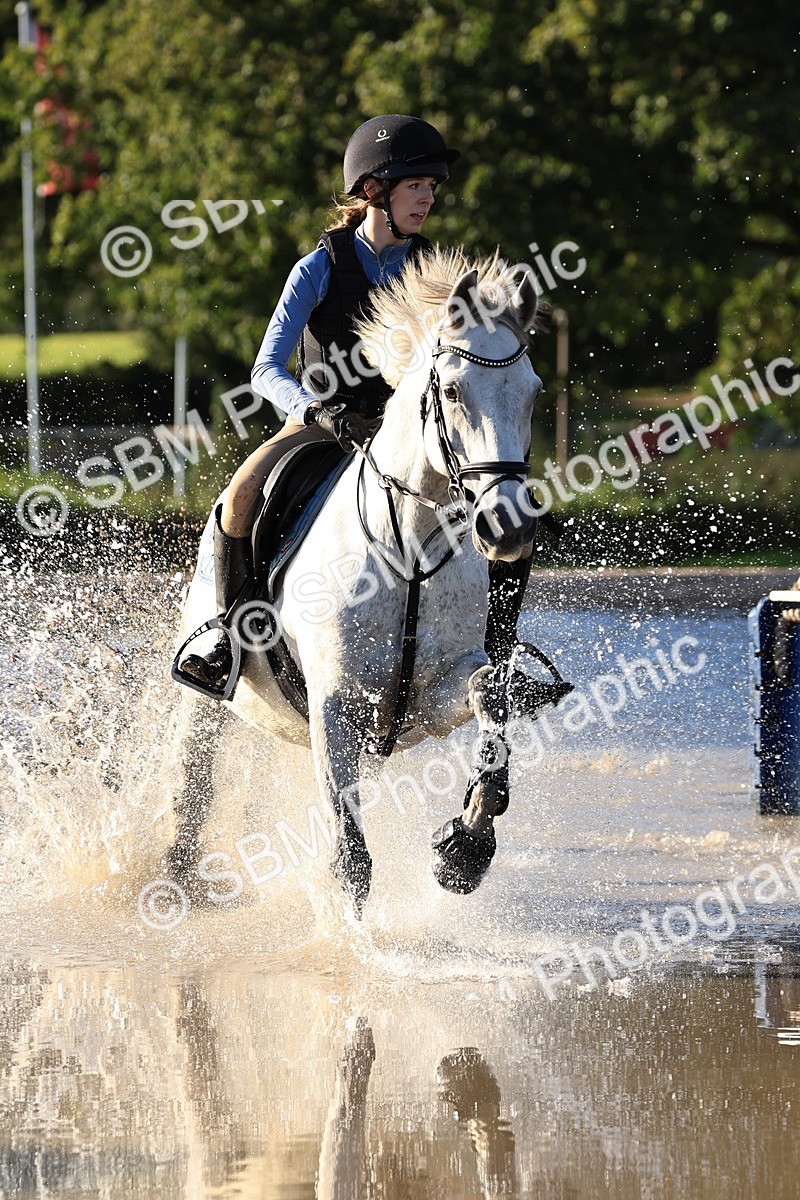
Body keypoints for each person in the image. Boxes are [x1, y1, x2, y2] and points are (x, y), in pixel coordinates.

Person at [181, 114, 546, 715]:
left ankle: (499, 658)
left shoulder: (438, 275)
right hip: (323, 427)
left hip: (416, 438)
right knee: (241, 495)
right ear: (375, 189)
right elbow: (266, 370)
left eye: (433, 186)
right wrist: (321, 415)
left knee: (513, 516)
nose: (429, 197)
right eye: (416, 185)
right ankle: (227, 634)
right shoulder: (319, 268)